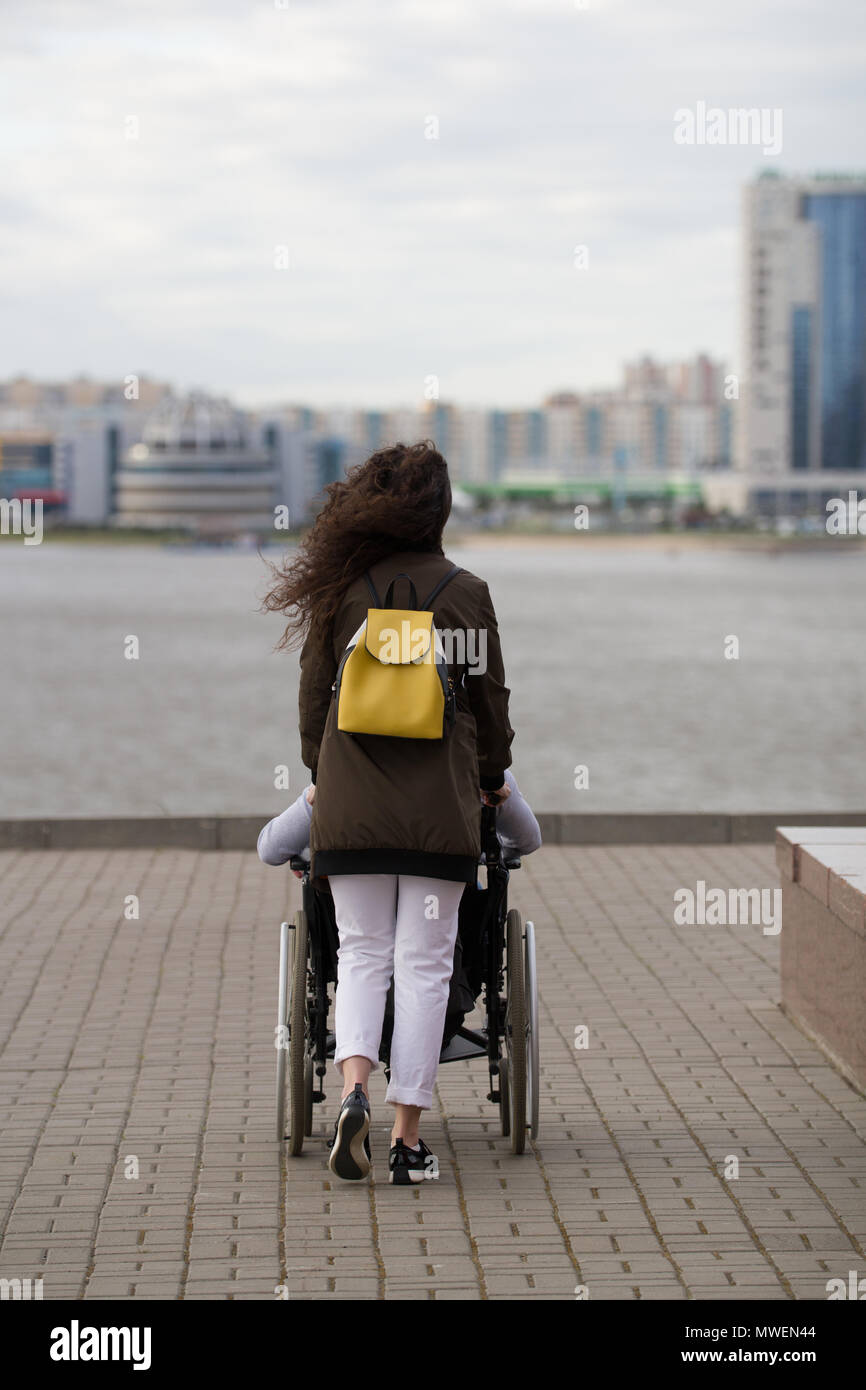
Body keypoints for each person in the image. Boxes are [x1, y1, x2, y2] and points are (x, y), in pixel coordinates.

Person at [261, 440, 515, 1185]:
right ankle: (407, 1142)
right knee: (425, 962)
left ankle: (351, 1093)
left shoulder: (343, 591)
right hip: (440, 810)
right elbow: (488, 703)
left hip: (353, 807)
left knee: (362, 955)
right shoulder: (466, 594)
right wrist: (491, 776)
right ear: (439, 510)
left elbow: (313, 704)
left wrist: (326, 772)